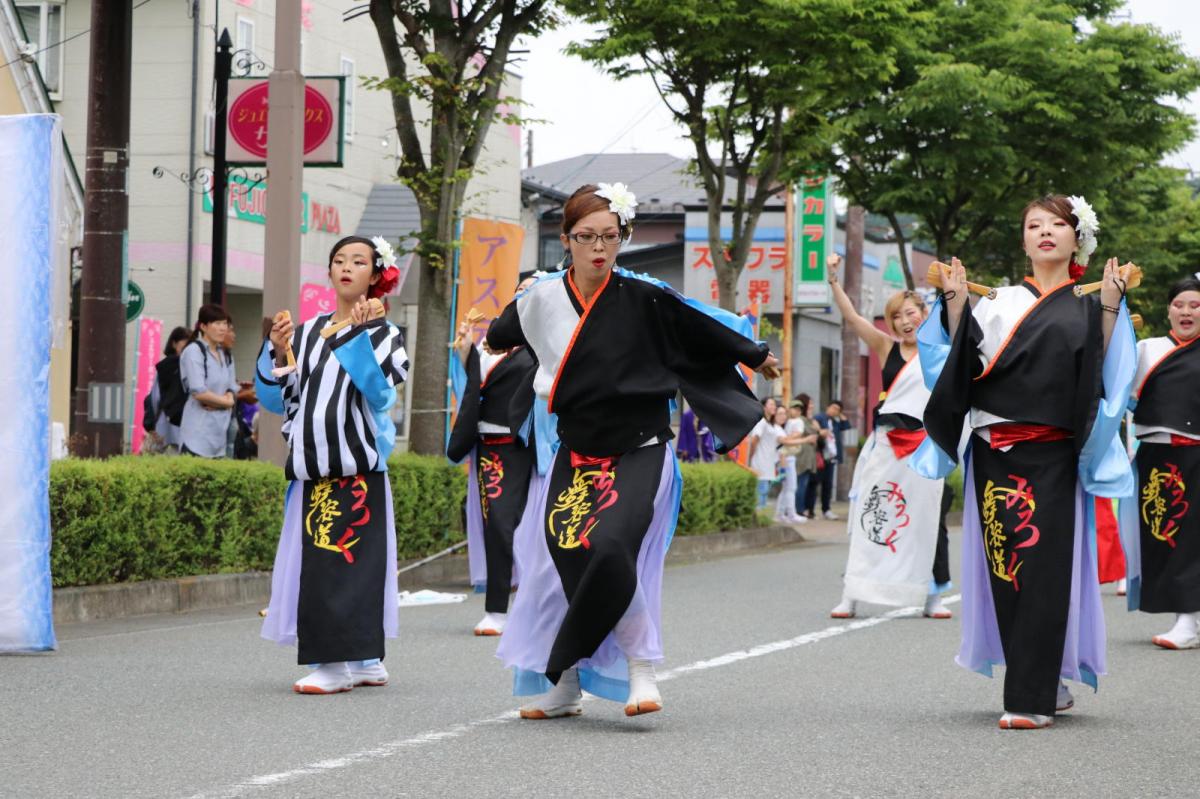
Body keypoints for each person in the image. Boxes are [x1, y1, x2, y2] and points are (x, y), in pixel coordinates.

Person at [486, 182, 778, 720]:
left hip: (639, 447)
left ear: (623, 236)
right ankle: (568, 683)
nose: (598, 247)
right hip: (576, 449)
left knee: (612, 546)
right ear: (565, 239)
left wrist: (753, 354)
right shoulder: (541, 298)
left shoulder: (645, 295)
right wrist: (512, 314)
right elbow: (500, 333)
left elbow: (698, 327)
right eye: (586, 236)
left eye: (610, 236)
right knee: (564, 552)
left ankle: (641, 668)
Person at [916, 194, 1135, 729]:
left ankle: (1030, 697)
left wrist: (1111, 305)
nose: (1045, 232)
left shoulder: (1092, 300)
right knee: (1006, 567)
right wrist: (954, 305)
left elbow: (1107, 373)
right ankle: (1044, 679)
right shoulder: (995, 300)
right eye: (1034, 225)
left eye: (1057, 224)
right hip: (993, 451)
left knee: (1045, 569)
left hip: (1053, 452)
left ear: (1077, 238)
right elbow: (956, 366)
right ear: (1023, 240)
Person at [256, 234, 406, 694]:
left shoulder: (385, 333)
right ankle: (358, 660)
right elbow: (288, 400)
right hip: (314, 464)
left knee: (352, 567)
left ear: (375, 275)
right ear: (329, 271)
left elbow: (381, 395)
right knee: (323, 564)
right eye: (339, 260)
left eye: (358, 261)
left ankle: (342, 663)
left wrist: (356, 337)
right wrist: (278, 349)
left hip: (356, 464)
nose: (346, 268)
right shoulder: (305, 333)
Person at [824, 255, 954, 621]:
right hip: (886, 445)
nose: (905, 321)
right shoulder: (886, 347)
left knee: (928, 521)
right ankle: (852, 593)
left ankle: (933, 596)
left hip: (926, 448)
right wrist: (833, 280)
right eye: (897, 316)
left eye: (911, 313)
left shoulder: (942, 352)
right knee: (872, 513)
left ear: (925, 313)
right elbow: (852, 317)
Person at [448, 272, 557, 637]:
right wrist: (467, 354)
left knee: (535, 528)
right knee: (496, 525)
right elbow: (471, 392)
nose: (525, 296)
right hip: (490, 447)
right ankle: (497, 609)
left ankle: (540, 605)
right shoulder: (490, 344)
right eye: (520, 291)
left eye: (533, 291)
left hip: (529, 445)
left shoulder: (548, 343)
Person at [1118, 275, 1200, 650]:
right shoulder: (1146, 349)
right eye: (1179, 304)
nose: (1186, 312)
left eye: (1195, 305)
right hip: (1155, 457)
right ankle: (1187, 616)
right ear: (1168, 310)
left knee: (1190, 540)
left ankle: (1188, 620)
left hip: (1195, 455)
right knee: (1163, 535)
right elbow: (1118, 390)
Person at [179, 305, 238, 458]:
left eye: (224, 324)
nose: (223, 328)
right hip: (196, 437)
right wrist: (226, 403)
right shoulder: (194, 351)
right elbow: (199, 392)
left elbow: (232, 388)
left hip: (219, 438)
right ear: (203, 327)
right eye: (217, 323)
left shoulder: (225, 354)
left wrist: (223, 401)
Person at [142, 326, 191, 454]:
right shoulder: (190, 366)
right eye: (186, 344)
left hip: (164, 423)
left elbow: (155, 398)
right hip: (184, 425)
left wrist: (153, 421)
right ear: (174, 343)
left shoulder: (165, 366)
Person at [811, 399, 851, 519]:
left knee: (828, 484)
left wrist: (840, 414)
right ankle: (810, 510)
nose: (835, 411)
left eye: (838, 410)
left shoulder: (835, 422)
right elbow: (814, 428)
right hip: (820, 456)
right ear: (828, 407)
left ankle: (826, 509)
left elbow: (847, 425)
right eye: (833, 408)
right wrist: (820, 431)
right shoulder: (820, 417)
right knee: (815, 482)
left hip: (831, 457)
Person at [786, 395, 821, 523]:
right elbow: (812, 433)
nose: (812, 406)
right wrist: (816, 428)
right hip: (801, 456)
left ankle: (797, 510)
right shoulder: (800, 420)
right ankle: (798, 510)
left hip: (804, 456)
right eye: (810, 403)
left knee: (799, 484)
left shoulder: (799, 420)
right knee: (799, 484)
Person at [748, 398, 785, 510]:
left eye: (774, 405)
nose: (774, 407)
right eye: (771, 404)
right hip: (760, 463)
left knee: (763, 494)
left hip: (767, 464)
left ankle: (761, 515)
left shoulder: (770, 424)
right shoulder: (761, 422)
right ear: (763, 407)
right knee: (760, 494)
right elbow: (754, 440)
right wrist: (750, 459)